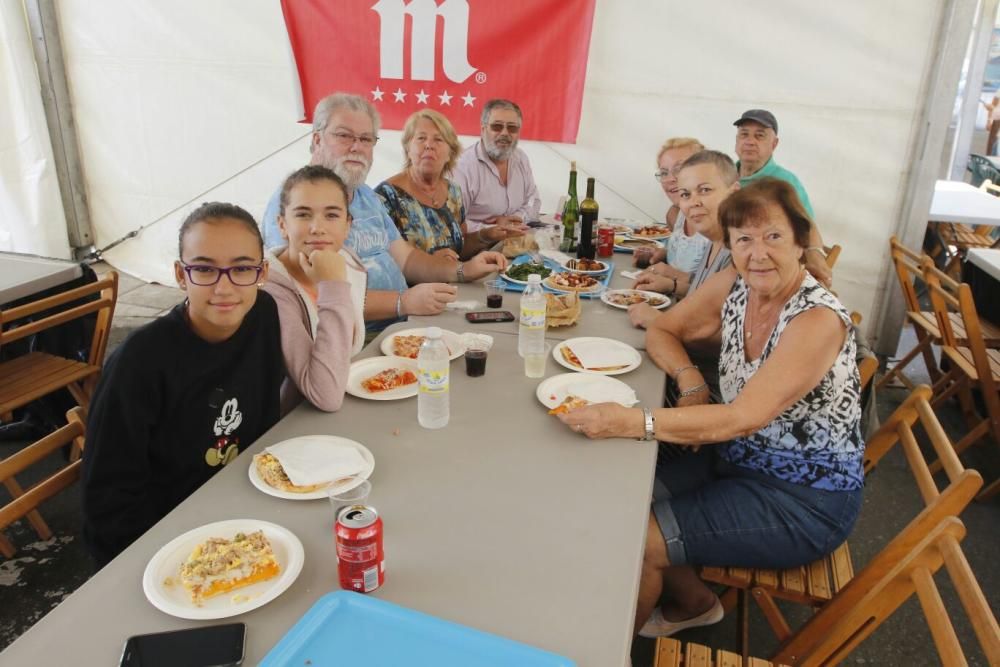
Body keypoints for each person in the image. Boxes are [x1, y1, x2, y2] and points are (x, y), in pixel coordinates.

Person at [555, 178, 864, 639]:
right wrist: (691, 379)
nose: (757, 253)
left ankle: (601, 649)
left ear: (802, 242)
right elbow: (662, 330)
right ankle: (694, 601)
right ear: (731, 246)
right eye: (744, 239)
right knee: (614, 496)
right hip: (736, 458)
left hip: (802, 497)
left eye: (773, 236)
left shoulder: (816, 317)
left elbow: (743, 416)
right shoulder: (737, 284)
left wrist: (633, 422)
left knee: (637, 540)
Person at [82, 203, 285, 566]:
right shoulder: (138, 363)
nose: (224, 287)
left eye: (241, 268)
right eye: (205, 269)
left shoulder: (264, 315)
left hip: (249, 511)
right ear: (180, 274)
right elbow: (107, 505)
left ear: (262, 272)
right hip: (167, 542)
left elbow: (266, 420)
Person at [260, 93, 508, 333]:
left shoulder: (366, 195)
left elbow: (407, 259)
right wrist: (402, 301)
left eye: (366, 139)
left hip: (403, 325)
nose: (357, 147)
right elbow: (305, 295)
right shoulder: (292, 204)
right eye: (345, 136)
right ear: (316, 140)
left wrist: (464, 270)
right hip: (357, 341)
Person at [263, 165, 365, 416]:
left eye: (331, 215)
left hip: (349, 405)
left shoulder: (347, 262)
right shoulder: (271, 293)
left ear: (347, 224)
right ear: (282, 225)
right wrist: (332, 287)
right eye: (303, 215)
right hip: (294, 425)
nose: (317, 228)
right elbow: (325, 395)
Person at [375, 109, 524, 259]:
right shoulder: (385, 196)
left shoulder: (453, 191)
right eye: (421, 138)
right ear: (408, 148)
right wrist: (430, 264)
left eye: (438, 140)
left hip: (453, 279)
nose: (429, 145)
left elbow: (460, 247)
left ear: (450, 153)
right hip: (410, 283)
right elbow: (378, 260)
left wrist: (487, 235)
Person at [628, 150, 739, 329]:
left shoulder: (739, 253)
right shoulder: (713, 240)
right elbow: (704, 297)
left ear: (734, 192)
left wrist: (661, 322)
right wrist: (672, 286)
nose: (694, 202)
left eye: (704, 190)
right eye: (686, 194)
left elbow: (725, 337)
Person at [733, 109, 832, 287]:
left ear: (774, 144)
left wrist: (815, 252)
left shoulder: (785, 181)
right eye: (744, 134)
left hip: (761, 267)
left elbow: (806, 225)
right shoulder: (724, 174)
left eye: (759, 136)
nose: (750, 141)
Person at [452, 99, 541, 232]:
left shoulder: (521, 158)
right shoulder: (463, 167)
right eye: (497, 126)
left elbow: (534, 201)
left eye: (512, 128)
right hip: (477, 247)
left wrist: (515, 219)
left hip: (516, 239)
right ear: (483, 129)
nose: (505, 133)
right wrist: (494, 228)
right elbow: (453, 222)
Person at [634, 137, 709, 278]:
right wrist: (661, 254)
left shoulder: (717, 223)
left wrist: (672, 277)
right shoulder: (680, 213)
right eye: (664, 173)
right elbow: (683, 255)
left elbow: (721, 290)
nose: (670, 179)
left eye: (679, 169)